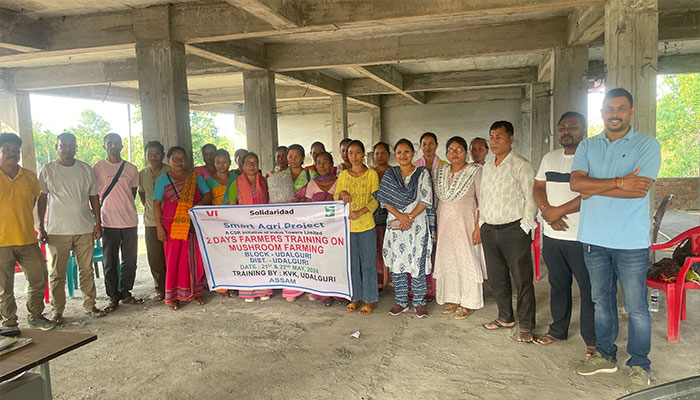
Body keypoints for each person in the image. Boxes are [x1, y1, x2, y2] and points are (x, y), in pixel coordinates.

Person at [571, 88, 660, 391]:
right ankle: (605, 356)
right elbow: (575, 184)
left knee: (636, 307)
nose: (614, 113)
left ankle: (639, 363)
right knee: (601, 302)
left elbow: (639, 190)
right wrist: (620, 181)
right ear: (602, 112)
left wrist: (592, 187)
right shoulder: (588, 145)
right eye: (609, 108)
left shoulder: (647, 144)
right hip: (594, 239)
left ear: (631, 111)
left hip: (631, 241)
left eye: (621, 108)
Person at [534, 112, 596, 356]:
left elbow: (591, 193)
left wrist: (557, 211)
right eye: (562, 126)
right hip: (552, 237)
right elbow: (538, 187)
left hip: (582, 237)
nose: (566, 130)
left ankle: (592, 339)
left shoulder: (591, 158)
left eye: (573, 126)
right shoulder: (550, 158)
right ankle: (558, 330)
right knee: (558, 285)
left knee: (589, 290)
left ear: (584, 130)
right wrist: (546, 211)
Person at [479, 121, 537, 343]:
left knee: (522, 279)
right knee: (497, 278)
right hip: (490, 229)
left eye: (499, 137)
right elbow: (484, 196)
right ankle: (505, 317)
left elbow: (531, 199)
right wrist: (483, 222)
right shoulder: (487, 166)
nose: (494, 141)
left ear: (511, 139)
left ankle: (527, 325)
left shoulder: (521, 166)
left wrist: (525, 227)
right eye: (492, 137)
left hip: (514, 230)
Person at [38, 132, 105, 323]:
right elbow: (42, 199)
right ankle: (57, 310)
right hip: (58, 231)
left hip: (84, 228)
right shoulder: (48, 170)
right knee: (58, 273)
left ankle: (90, 305)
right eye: (63, 145)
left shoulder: (85, 169)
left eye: (71, 145)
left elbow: (94, 197)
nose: (67, 148)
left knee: (86, 269)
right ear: (57, 148)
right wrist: (41, 227)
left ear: (76, 147)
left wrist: (97, 223)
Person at [0, 133, 55, 330]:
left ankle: (36, 314)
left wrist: (39, 228)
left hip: (26, 238)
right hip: (1, 243)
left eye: (15, 150)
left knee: (39, 277)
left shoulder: (29, 177)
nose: (12, 153)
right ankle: (9, 322)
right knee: (4, 287)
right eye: (7, 149)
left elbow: (32, 203)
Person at [376, 139, 433, 318]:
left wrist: (409, 217)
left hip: (417, 226)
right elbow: (384, 200)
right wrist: (401, 217)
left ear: (413, 154)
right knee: (398, 262)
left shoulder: (422, 173)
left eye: (406, 152)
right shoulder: (389, 174)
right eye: (399, 152)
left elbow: (426, 199)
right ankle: (401, 301)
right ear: (395, 154)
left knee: (417, 262)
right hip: (396, 225)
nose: (403, 155)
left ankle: (419, 302)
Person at [153, 146, 212, 310]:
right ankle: (173, 296)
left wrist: (197, 206)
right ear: (168, 160)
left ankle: (195, 292)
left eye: (182, 159)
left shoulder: (195, 177)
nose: (179, 162)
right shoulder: (163, 179)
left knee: (193, 258)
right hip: (171, 226)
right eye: (175, 159)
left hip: (192, 224)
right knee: (173, 260)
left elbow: (208, 194)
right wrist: (159, 228)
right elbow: (156, 204)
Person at [433, 136, 485, 320]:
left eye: (459, 149)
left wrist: (478, 228)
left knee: (466, 259)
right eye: (451, 150)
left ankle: (469, 301)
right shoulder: (440, 172)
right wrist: (435, 228)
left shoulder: (474, 171)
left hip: (466, 224)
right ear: (446, 153)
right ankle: (454, 298)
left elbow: (482, 200)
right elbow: (436, 202)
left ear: (466, 152)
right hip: (445, 226)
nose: (454, 153)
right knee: (449, 259)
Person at [93, 133, 142, 313]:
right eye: (109, 143)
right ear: (104, 146)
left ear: (122, 146)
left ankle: (126, 292)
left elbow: (132, 193)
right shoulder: (97, 168)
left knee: (130, 260)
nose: (113, 146)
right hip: (108, 222)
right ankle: (113, 296)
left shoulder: (131, 168)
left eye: (116, 143)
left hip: (129, 221)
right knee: (110, 261)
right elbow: (93, 197)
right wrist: (97, 222)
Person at [335, 140, 380, 315]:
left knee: (368, 264)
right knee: (352, 264)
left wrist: (360, 212)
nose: (353, 156)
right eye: (350, 153)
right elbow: (335, 197)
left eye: (357, 152)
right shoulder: (343, 175)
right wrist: (341, 194)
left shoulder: (371, 175)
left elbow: (376, 200)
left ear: (363, 154)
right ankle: (355, 297)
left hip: (366, 224)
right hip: (348, 227)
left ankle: (369, 300)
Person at [298, 152, 340, 306]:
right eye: (319, 162)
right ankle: (325, 295)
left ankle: (339, 294)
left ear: (332, 164)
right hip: (319, 231)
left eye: (326, 162)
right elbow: (308, 208)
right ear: (315, 165)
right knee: (321, 262)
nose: (322, 165)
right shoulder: (312, 184)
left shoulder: (340, 181)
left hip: (337, 230)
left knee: (337, 260)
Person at [281, 144, 318, 301]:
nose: (293, 159)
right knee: (291, 254)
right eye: (290, 156)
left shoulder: (311, 174)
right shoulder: (280, 176)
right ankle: (292, 289)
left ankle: (311, 288)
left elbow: (318, 196)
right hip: (287, 222)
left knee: (308, 253)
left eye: (297, 156)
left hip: (307, 221)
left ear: (303, 158)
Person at [413, 131, 447, 301]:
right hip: (419, 214)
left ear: (436, 145)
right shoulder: (414, 166)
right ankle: (422, 288)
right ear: (420, 146)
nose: (427, 147)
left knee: (436, 250)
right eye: (424, 144)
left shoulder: (444, 165)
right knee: (421, 249)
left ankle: (436, 288)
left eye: (431, 143)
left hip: (438, 212)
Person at [235, 152, 273, 302]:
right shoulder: (236, 183)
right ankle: (248, 292)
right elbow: (230, 204)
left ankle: (264, 290)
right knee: (247, 260)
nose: (252, 165)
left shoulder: (265, 181)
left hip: (263, 227)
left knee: (263, 258)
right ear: (243, 166)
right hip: (244, 227)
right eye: (248, 163)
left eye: (255, 162)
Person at [138, 140, 170, 301]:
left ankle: (173, 287)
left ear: (163, 155)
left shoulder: (170, 171)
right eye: (150, 154)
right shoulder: (142, 174)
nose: (153, 157)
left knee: (171, 257)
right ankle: (161, 289)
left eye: (157, 154)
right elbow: (142, 195)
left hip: (170, 221)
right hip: (151, 222)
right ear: (145, 155)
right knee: (155, 258)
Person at [205, 149, 237, 299]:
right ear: (214, 163)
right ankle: (222, 287)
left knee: (234, 253)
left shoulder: (237, 178)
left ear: (230, 163)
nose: (221, 165)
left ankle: (235, 285)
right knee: (220, 255)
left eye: (224, 162)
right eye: (218, 162)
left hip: (235, 222)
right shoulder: (208, 182)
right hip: (216, 223)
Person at [372, 142, 392, 288]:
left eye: (383, 153)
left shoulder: (394, 171)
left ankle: (391, 278)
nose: (380, 156)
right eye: (377, 153)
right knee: (377, 246)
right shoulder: (370, 173)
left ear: (389, 155)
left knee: (390, 245)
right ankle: (380, 279)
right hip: (373, 215)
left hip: (392, 215)